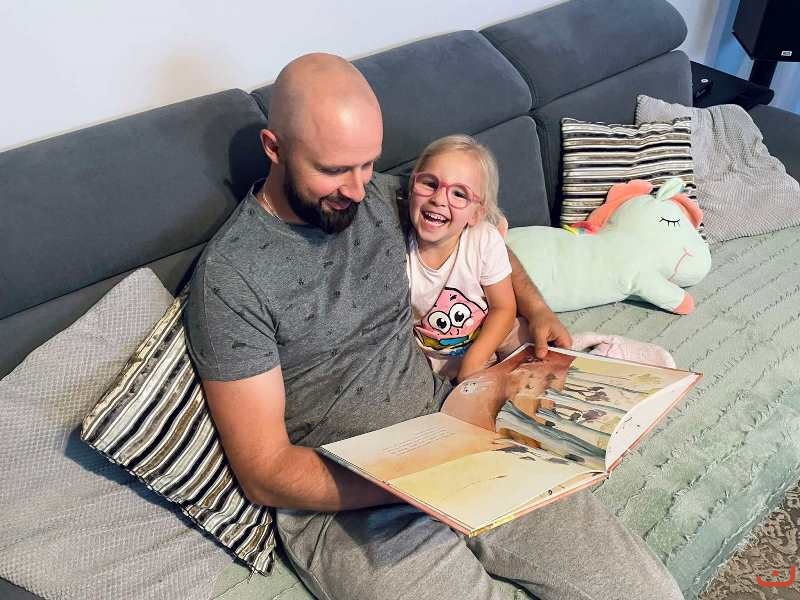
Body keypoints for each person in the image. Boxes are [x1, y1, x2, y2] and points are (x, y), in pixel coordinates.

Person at [184, 53, 684, 600]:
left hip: (458, 428)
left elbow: (479, 234)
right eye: (333, 170)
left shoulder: (381, 197)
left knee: (647, 591)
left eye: (367, 164)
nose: (357, 190)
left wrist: (536, 309)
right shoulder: (232, 278)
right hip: (349, 498)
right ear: (274, 148)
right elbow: (265, 471)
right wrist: (419, 476)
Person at [405, 134, 520, 383]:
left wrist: (474, 362)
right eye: (429, 183)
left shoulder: (483, 240)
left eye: (459, 194)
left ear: (476, 214)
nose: (438, 199)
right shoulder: (397, 252)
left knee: (535, 351)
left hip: (490, 339)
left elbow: (503, 308)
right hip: (436, 360)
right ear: (412, 186)